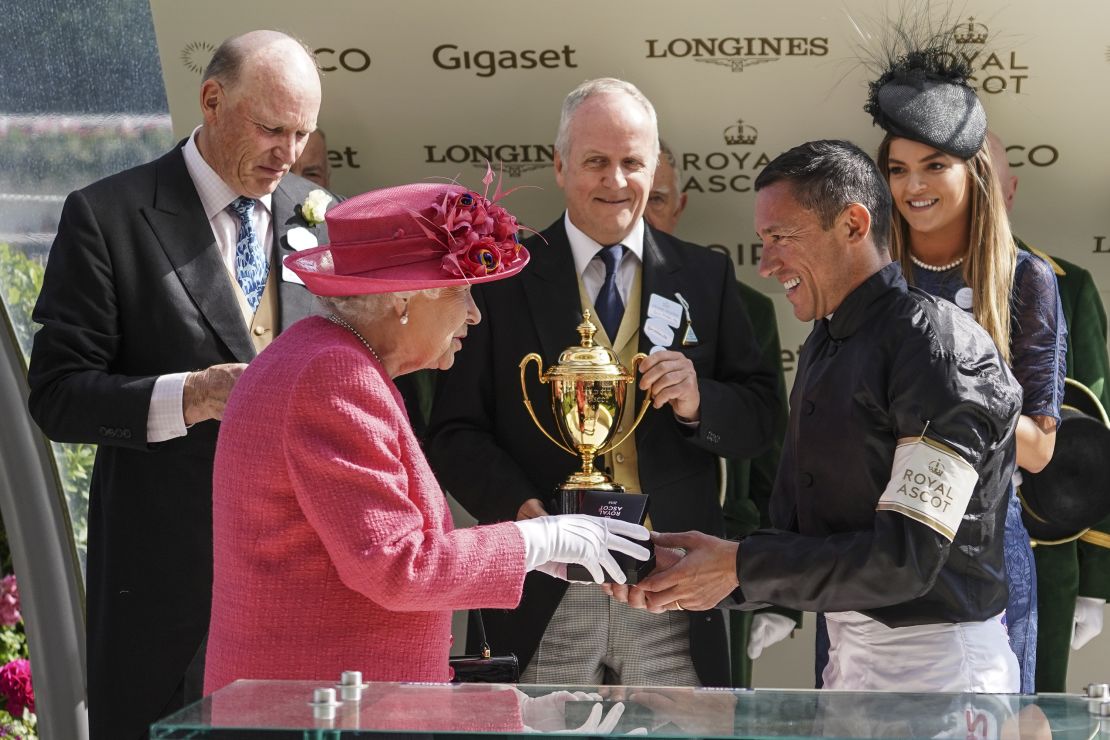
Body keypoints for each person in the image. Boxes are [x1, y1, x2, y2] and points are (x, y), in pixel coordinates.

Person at [204, 181, 650, 692]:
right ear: (404, 300)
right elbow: (399, 566)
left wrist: (540, 555)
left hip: (321, 702)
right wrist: (535, 539)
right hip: (323, 711)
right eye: (463, 292)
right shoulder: (333, 376)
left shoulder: (327, 359)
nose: (476, 314)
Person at [620, 139, 1024, 693]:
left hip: (943, 673)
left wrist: (738, 567)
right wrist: (701, 569)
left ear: (854, 224)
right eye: (764, 242)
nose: (765, 264)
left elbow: (905, 558)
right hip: (847, 661)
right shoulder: (823, 344)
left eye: (782, 238)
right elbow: (798, 537)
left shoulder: (938, 351)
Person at [27, 31, 337, 740]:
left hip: (302, 591)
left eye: (302, 133)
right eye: (270, 129)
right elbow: (59, 394)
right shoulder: (108, 216)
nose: (287, 154)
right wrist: (192, 395)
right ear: (211, 101)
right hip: (167, 596)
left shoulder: (324, 218)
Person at [425, 78, 781, 687]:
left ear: (654, 166)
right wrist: (528, 519)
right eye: (596, 162)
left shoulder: (706, 276)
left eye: (632, 163)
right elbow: (457, 432)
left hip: (669, 585)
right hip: (545, 586)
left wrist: (700, 404)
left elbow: (761, 420)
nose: (615, 182)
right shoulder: (503, 280)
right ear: (560, 166)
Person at [868, 49, 1066, 693]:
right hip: (872, 547)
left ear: (974, 169)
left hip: (986, 550)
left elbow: (1037, 451)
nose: (912, 185)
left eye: (934, 165)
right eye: (897, 169)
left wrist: (960, 387)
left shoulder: (1026, 280)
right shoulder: (869, 276)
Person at [645, 139, 796, 687]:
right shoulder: (572, 291)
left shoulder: (736, 299)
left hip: (716, 556)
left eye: (657, 200)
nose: (642, 214)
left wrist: (779, 593)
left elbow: (772, 445)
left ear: (679, 206)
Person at [986, 131, 1110, 691]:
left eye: (988, 179)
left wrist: (1097, 578)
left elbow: (1097, 430)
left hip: (1043, 547)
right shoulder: (895, 286)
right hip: (917, 545)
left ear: (1010, 191)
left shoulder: (1067, 285)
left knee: (1034, 718)